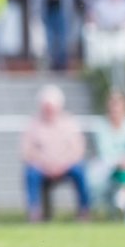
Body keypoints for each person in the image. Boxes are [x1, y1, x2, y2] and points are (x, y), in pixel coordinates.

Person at [21, 84, 90, 223]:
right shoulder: (33, 124)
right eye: (46, 106)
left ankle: (84, 211)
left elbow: (78, 150)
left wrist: (62, 165)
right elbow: (26, 151)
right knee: (31, 173)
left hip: (66, 166)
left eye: (51, 107)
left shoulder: (70, 122)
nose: (49, 110)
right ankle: (34, 212)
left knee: (79, 170)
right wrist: (46, 165)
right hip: (42, 168)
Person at [91, 91, 125, 223]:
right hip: (109, 170)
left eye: (118, 106)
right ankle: (124, 204)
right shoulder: (101, 127)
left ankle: (123, 200)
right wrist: (120, 161)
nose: (116, 110)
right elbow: (105, 153)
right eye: (113, 107)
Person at [83, 0, 125, 79]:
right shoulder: (99, 1)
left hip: (120, 37)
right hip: (103, 35)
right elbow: (92, 17)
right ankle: (97, 72)